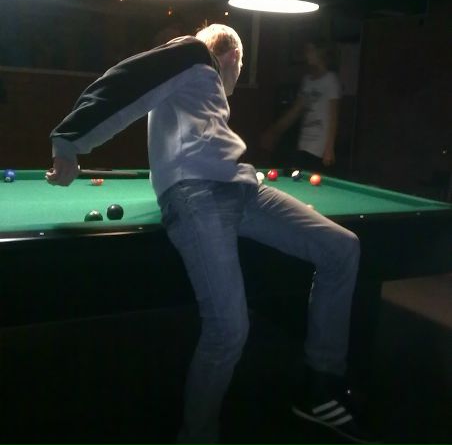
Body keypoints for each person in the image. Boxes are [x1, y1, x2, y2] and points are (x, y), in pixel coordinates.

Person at [46, 25, 379, 445]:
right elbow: (125, 81)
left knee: (342, 248)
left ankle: (321, 386)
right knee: (229, 329)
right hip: (197, 193)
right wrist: (70, 141)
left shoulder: (195, 88)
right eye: (239, 67)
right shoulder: (191, 54)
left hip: (245, 189)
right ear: (234, 58)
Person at [261, 40, 341, 173]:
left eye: (310, 50)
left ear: (321, 52)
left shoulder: (331, 79)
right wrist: (274, 131)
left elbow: (334, 117)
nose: (306, 54)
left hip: (320, 147)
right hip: (304, 144)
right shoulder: (307, 81)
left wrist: (329, 148)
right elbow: (295, 111)